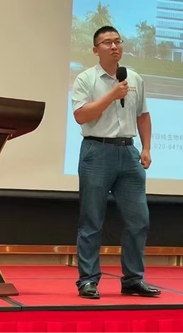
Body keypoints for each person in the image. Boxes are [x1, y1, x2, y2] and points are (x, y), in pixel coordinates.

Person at [70, 25, 161, 299]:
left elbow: (143, 115)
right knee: (92, 220)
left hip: (128, 153)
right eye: (107, 42)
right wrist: (112, 94)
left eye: (117, 41)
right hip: (97, 151)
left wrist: (146, 147)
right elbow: (81, 115)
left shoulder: (134, 78)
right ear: (95, 50)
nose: (114, 46)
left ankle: (133, 279)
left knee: (139, 219)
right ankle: (88, 280)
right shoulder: (85, 79)